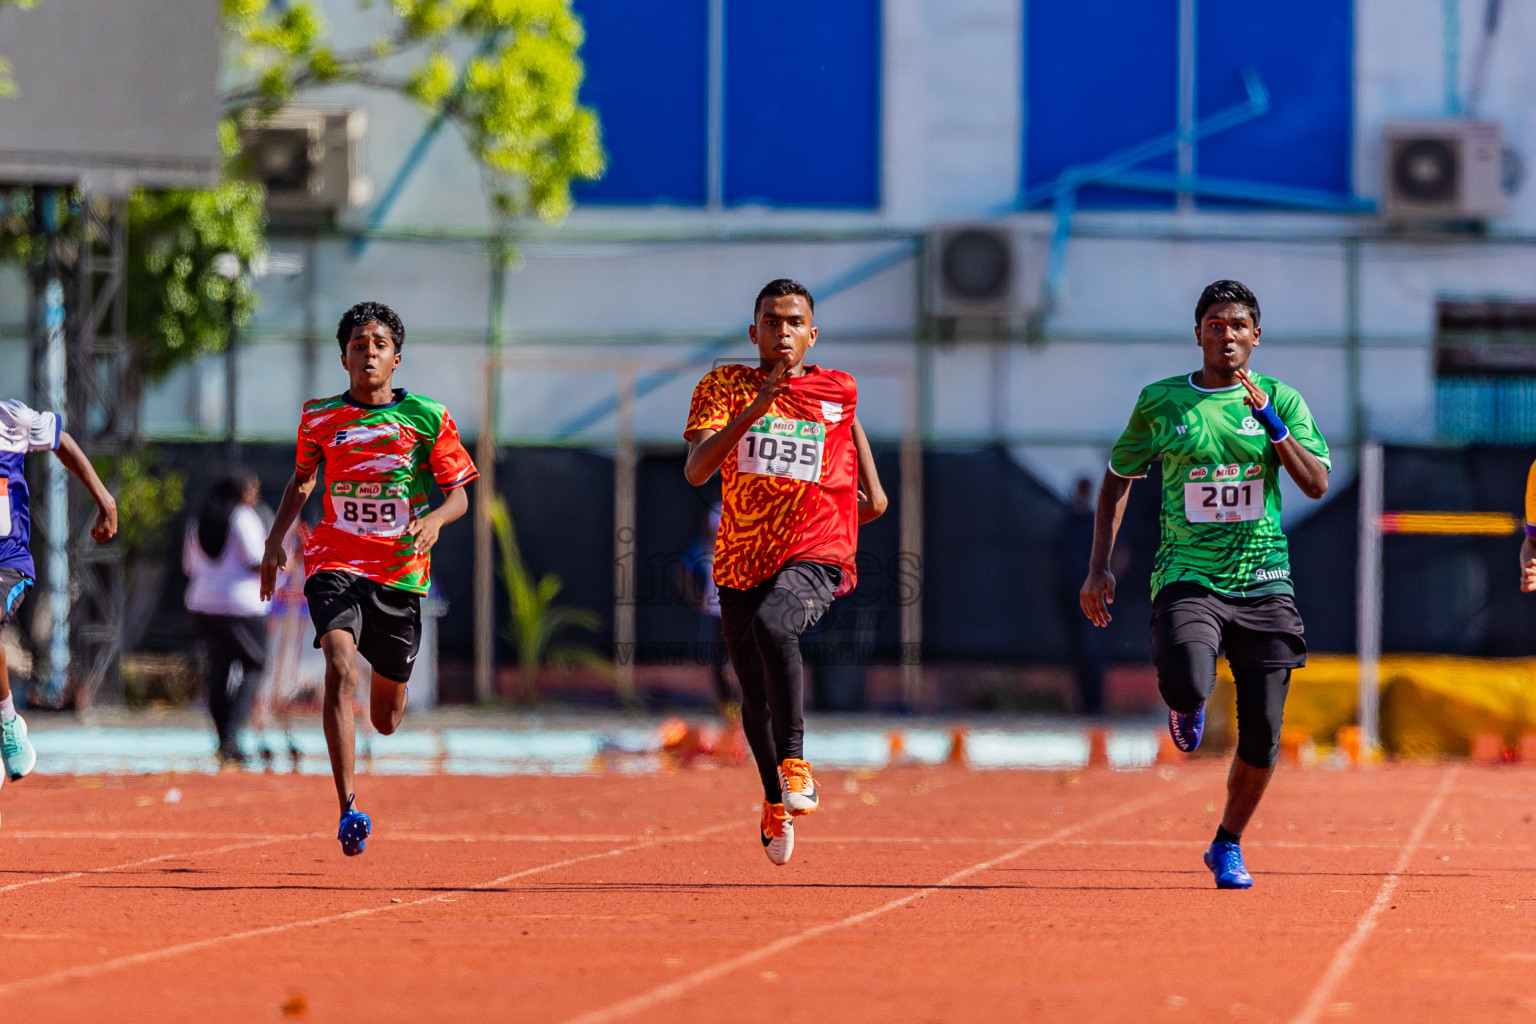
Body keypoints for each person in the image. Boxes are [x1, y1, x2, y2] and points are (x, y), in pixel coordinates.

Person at [1080, 279, 1331, 890]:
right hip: (1189, 573)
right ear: (1198, 334)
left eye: (1238, 325)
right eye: (1215, 324)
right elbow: (1117, 479)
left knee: (1265, 732)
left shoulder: (1282, 400)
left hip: (1266, 578)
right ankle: (1185, 700)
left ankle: (1228, 844)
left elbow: (1317, 484)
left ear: (1256, 336)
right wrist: (1099, 565)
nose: (1226, 335)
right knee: (1191, 678)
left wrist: (1271, 423)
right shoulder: (1162, 402)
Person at [260, 301, 476, 857]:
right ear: (344, 358)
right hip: (335, 561)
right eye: (358, 345)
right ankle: (347, 806)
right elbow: (301, 484)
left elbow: (459, 496)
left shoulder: (428, 417)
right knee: (337, 662)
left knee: (386, 718)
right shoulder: (319, 418)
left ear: (396, 358)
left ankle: (387, 696)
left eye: (379, 345)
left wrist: (432, 518)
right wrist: (274, 542)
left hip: (400, 574)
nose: (368, 353)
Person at [683, 278, 887, 866]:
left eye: (794, 322)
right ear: (754, 333)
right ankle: (774, 798)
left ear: (811, 334)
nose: (782, 333)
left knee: (778, 627)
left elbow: (873, 500)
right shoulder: (721, 386)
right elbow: (698, 471)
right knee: (754, 699)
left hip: (814, 550)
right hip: (742, 557)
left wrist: (837, 523)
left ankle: (797, 762)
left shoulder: (837, 391)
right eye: (771, 322)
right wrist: (758, 405)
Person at [0, 399, 117, 778]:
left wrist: (105, 499)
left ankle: (7, 723)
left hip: (8, 562)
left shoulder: (12, 417)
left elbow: (61, 441)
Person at [184, 470, 269, 767]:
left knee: (218, 671)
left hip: (203, 604)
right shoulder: (244, 517)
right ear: (242, 491)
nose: (256, 493)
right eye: (253, 487)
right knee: (256, 664)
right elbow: (257, 559)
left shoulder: (199, 519)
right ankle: (231, 737)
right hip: (241, 606)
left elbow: (189, 566)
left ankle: (224, 741)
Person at [1054, 477, 1105, 716]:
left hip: (1093, 598)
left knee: (1091, 648)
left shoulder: (1100, 520)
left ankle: (1094, 704)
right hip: (1069, 596)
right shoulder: (1069, 521)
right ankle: (1083, 704)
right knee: (1076, 650)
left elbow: (1121, 554)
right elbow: (1055, 556)